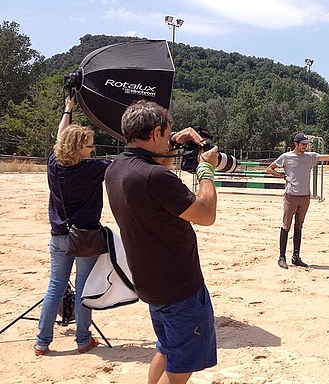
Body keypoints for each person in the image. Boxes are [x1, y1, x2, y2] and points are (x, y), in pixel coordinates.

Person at [105, 100, 219, 384]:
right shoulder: (154, 177)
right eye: (167, 135)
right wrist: (206, 170)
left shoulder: (116, 169)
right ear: (155, 133)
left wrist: (173, 143)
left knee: (167, 349)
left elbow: (154, 168)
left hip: (151, 283)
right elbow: (205, 214)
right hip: (179, 286)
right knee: (180, 367)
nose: (171, 140)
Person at [34, 96, 110, 355]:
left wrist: (68, 108)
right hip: (85, 236)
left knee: (55, 286)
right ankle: (82, 339)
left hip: (59, 235)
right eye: (88, 145)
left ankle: (42, 342)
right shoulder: (92, 169)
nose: (92, 149)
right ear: (77, 148)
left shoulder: (54, 165)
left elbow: (60, 137)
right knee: (83, 288)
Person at [266, 133, 329, 269]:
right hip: (291, 196)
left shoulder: (310, 157)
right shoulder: (286, 157)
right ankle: (282, 257)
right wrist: (282, 176)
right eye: (303, 144)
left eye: (307, 144)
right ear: (296, 143)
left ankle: (296, 256)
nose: (306, 146)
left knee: (299, 227)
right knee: (286, 226)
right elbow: (269, 169)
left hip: (305, 196)